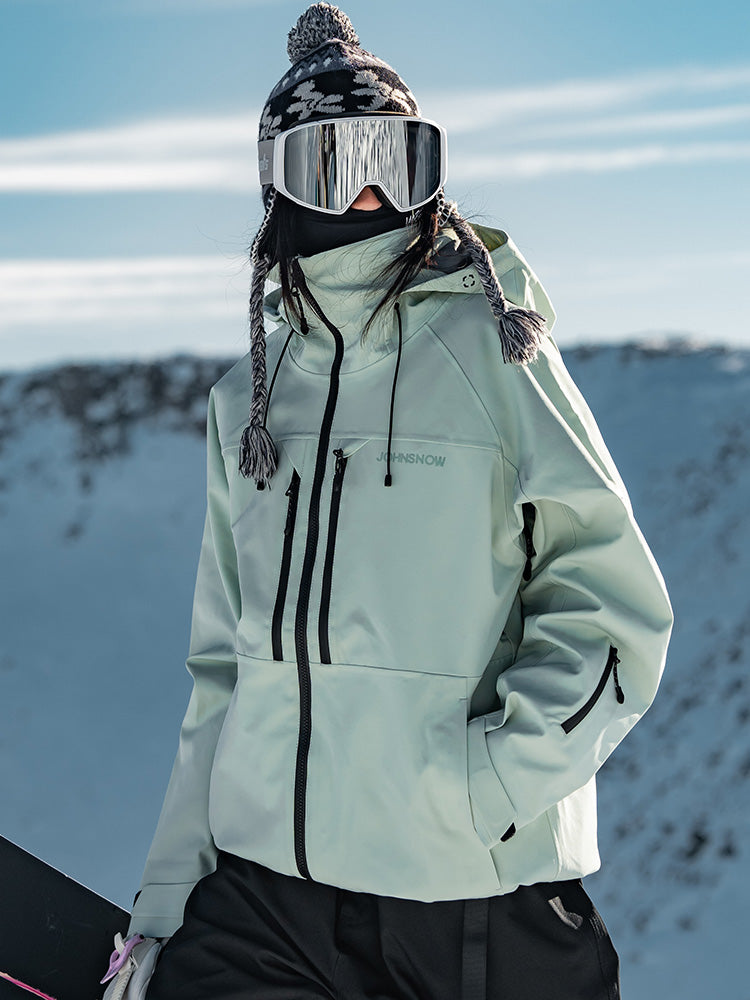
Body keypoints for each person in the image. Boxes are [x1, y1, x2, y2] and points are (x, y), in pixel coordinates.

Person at [100, 4, 674, 999]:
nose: (369, 194)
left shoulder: (499, 356)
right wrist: (164, 905)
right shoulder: (248, 404)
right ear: (279, 185)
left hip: (465, 900)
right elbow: (222, 676)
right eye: (333, 165)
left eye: (396, 161)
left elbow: (616, 612)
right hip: (268, 898)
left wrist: (486, 787)